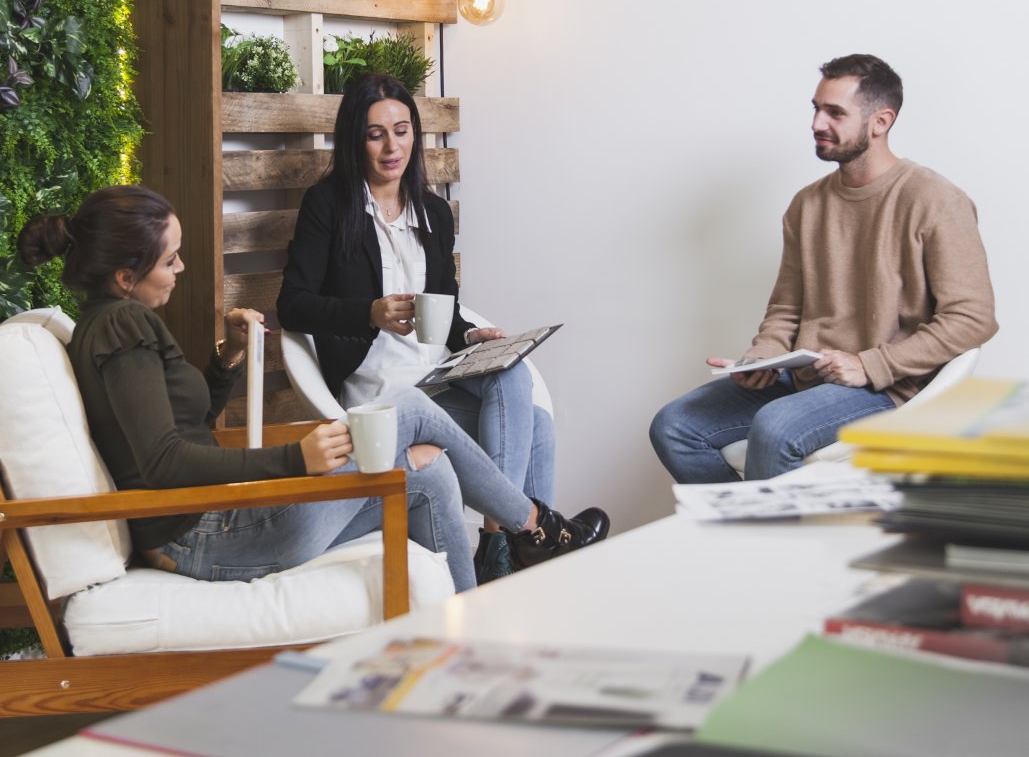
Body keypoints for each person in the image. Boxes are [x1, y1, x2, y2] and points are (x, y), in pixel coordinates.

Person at [16, 185, 609, 595]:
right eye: (170, 260)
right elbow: (164, 462)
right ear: (125, 276)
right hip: (205, 536)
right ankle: (537, 528)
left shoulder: (111, 324)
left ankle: (468, 625)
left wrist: (227, 360)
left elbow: (177, 426)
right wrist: (292, 458)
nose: (181, 269)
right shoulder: (122, 325)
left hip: (218, 522)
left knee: (428, 477)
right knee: (406, 406)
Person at [650, 54, 998, 483]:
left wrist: (870, 364)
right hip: (804, 377)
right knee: (674, 426)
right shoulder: (806, 204)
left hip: (886, 386)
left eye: (834, 112)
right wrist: (762, 359)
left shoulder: (935, 200)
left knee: (776, 428)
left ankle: (766, 545)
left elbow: (973, 317)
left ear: (880, 121)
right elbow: (786, 309)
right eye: (815, 108)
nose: (816, 123)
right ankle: (744, 534)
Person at [277, 73, 561, 583]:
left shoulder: (432, 212)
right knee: (534, 425)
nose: (392, 146)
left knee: (513, 376)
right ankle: (525, 547)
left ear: (416, 134)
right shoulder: (327, 206)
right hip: (382, 391)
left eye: (402, 130)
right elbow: (292, 306)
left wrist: (471, 337)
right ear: (355, 141)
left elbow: (443, 309)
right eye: (376, 134)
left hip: (437, 379)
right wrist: (370, 312)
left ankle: (500, 539)